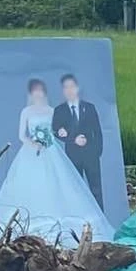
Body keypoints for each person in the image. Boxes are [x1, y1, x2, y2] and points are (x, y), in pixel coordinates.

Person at [0, 79, 114, 246]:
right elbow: (22, 136)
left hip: (52, 150)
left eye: (40, 91)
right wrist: (33, 143)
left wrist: (57, 136)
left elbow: (57, 130)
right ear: (31, 94)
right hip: (31, 152)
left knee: (59, 182)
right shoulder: (26, 112)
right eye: (35, 92)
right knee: (31, 185)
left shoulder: (51, 111)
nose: (38, 94)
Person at [51, 74, 105, 210]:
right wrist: (72, 139)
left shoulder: (89, 108)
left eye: (72, 86)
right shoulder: (59, 110)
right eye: (66, 87)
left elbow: (97, 132)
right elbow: (56, 131)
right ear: (63, 90)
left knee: (96, 189)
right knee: (76, 189)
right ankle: (80, 219)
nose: (69, 90)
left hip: (91, 156)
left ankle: (100, 219)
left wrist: (96, 152)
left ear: (77, 88)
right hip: (72, 156)